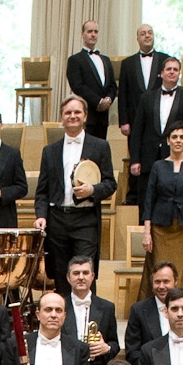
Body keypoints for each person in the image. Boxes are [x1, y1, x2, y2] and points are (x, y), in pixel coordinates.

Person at [33, 94, 114, 279]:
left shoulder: (100, 146)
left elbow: (110, 183)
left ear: (85, 116)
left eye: (77, 112)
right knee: (61, 275)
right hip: (57, 221)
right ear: (62, 117)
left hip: (86, 220)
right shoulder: (49, 151)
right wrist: (41, 216)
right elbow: (42, 191)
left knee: (84, 274)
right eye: (68, 112)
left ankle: (85, 309)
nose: (73, 116)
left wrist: (92, 190)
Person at [128, 56, 183, 212]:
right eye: (168, 69)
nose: (172, 72)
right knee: (145, 202)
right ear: (161, 73)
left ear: (179, 74)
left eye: (175, 69)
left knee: (171, 202)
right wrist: (135, 159)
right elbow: (137, 131)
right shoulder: (146, 98)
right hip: (148, 158)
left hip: (176, 158)